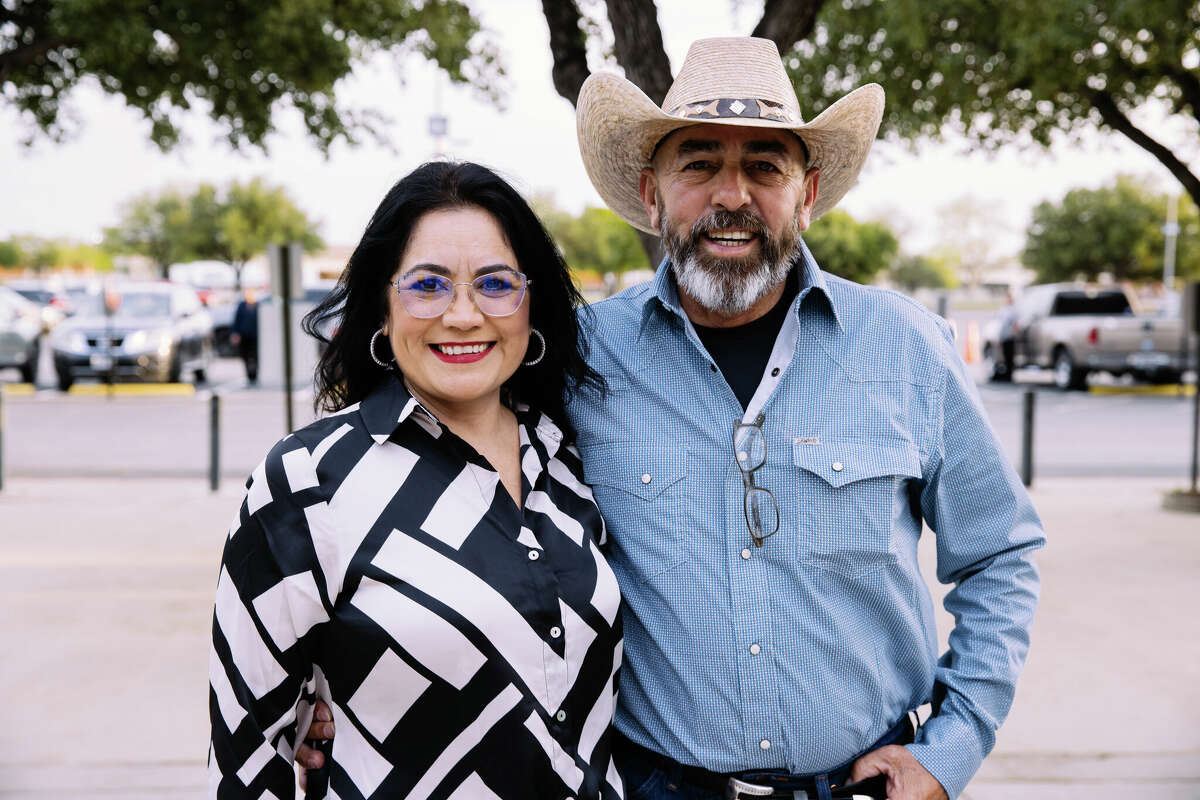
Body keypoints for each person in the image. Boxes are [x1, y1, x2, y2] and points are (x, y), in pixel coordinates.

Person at [302, 36, 1044, 800]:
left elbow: (1000, 555)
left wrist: (950, 750)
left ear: (808, 192)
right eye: (698, 164)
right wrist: (350, 680)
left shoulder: (907, 347)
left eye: (765, 165)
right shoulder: (579, 360)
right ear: (652, 194)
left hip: (868, 785)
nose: (732, 196)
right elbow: (445, 499)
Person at [208, 161, 623, 799]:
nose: (463, 314)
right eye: (428, 285)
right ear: (381, 304)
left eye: (495, 283)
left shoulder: (574, 461)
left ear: (530, 304)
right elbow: (246, 756)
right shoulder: (308, 482)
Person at [229, 287, 260, 384]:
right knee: (245, 355)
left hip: (255, 336)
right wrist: (235, 333)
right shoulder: (241, 306)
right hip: (244, 335)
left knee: (255, 355)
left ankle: (254, 373)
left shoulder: (258, 306)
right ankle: (248, 373)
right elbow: (236, 320)